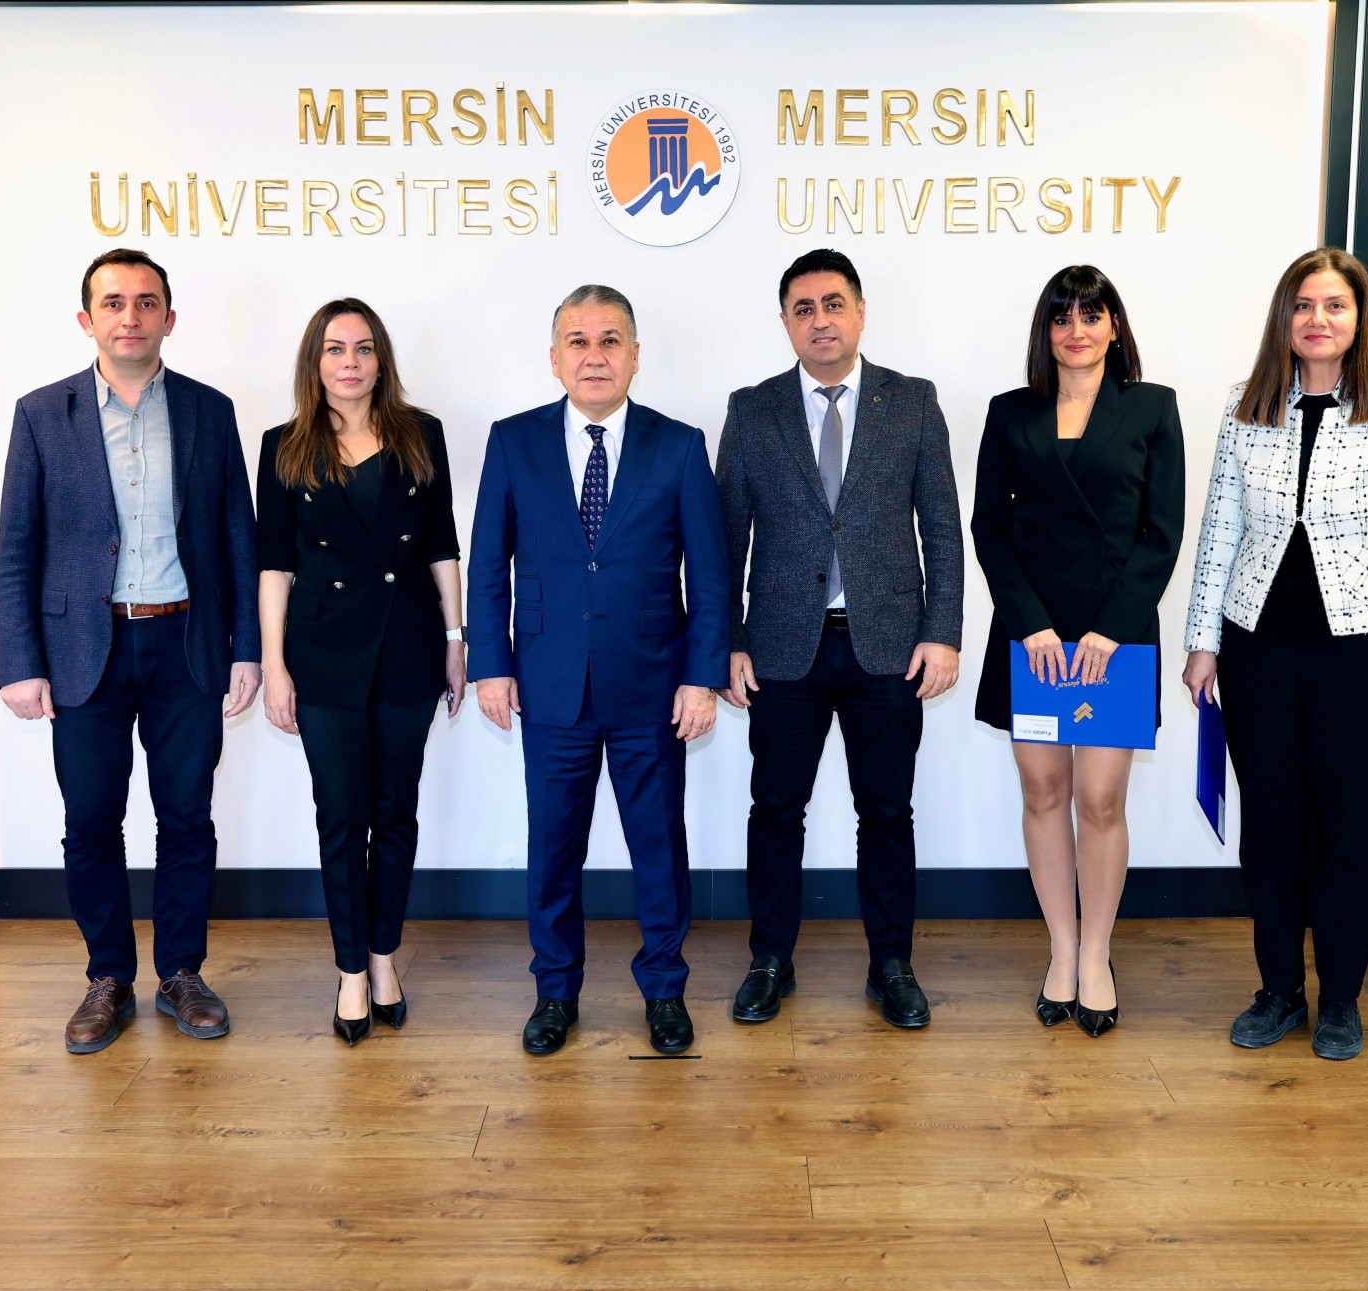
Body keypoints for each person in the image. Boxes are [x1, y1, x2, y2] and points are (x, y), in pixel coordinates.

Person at [1182, 246, 1368, 1061]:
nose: (1317, 319)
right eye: (1303, 305)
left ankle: (1339, 998)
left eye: (1334, 305)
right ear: (1284, 318)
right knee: (1271, 826)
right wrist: (1201, 643)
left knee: (1350, 830)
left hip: (1362, 652)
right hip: (1257, 648)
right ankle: (1277, 991)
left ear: (1360, 317)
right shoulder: (1248, 404)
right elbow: (1220, 529)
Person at [0, 248, 261, 1054]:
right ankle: (107, 978)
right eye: (113, 303)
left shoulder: (210, 411)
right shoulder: (42, 414)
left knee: (186, 818)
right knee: (90, 820)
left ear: (169, 319)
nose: (130, 316)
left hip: (187, 644)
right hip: (85, 650)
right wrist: (20, 661)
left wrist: (247, 647)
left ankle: (181, 972)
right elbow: (17, 546)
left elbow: (238, 540)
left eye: (146, 302)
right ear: (87, 320)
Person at [467, 284, 730, 1056]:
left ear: (635, 356)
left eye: (610, 341)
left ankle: (665, 990)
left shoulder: (679, 446)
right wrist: (491, 666)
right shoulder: (513, 442)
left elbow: (710, 576)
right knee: (553, 848)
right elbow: (488, 564)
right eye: (578, 342)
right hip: (548, 684)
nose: (594, 356)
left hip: (654, 686)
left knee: (659, 847)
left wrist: (701, 676)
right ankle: (555, 991)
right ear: (554, 359)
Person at [716, 248, 965, 1030]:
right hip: (781, 648)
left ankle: (892, 964)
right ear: (785, 322)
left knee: (886, 811)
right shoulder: (752, 410)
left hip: (888, 646)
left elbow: (942, 528)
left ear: (859, 312)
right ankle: (770, 960)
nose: (819, 321)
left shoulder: (912, 402)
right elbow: (725, 540)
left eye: (833, 304)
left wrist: (943, 633)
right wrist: (727, 640)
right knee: (774, 809)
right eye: (803, 308)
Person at [969, 265, 1184, 1037]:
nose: (1077, 330)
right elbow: (989, 528)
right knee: (1042, 792)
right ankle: (1061, 950)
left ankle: (1097, 954)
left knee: (1099, 799)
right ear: (1046, 332)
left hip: (1114, 634)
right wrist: (1029, 624)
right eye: (1062, 318)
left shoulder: (1152, 407)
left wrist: (1111, 628)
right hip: (1033, 634)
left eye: (1092, 316)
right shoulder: (1010, 412)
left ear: (1114, 328)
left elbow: (1162, 531)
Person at [255, 297, 465, 1047]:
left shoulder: (421, 435)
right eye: (336, 348)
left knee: (395, 814)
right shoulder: (283, 446)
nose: (351, 362)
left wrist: (455, 639)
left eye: (364, 348)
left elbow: (442, 544)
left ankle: (383, 959)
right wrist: (274, 664)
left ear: (382, 361)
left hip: (409, 647)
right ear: (315, 362)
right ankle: (349, 968)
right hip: (322, 657)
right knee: (341, 819)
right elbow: (274, 564)